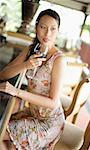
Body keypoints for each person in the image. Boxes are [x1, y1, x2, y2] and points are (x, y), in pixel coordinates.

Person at [0, 9, 66, 149]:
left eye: (53, 29)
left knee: (1, 133)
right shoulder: (31, 49)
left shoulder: (58, 60)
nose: (47, 34)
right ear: (36, 27)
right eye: (43, 27)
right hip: (32, 112)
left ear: (58, 31)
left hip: (49, 122)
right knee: (2, 126)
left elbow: (53, 103)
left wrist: (16, 91)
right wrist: (25, 65)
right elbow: (3, 74)